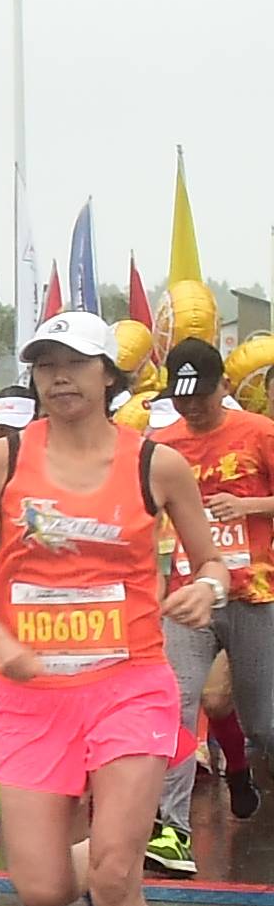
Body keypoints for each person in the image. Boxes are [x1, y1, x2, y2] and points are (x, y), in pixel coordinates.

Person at [0, 313, 228, 906]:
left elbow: (212, 561)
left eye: (76, 363)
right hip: (32, 694)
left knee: (115, 873)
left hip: (129, 684)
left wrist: (207, 589)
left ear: (110, 375)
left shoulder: (156, 464)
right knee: (42, 889)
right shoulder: (2, 460)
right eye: (46, 365)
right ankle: (96, 862)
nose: (60, 377)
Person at [148, 337, 274, 860]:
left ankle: (250, 777)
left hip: (255, 595)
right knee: (176, 706)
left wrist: (249, 506)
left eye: (200, 395)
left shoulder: (259, 432)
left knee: (265, 723)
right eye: (181, 397)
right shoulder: (159, 445)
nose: (191, 407)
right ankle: (171, 827)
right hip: (188, 599)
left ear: (224, 385)